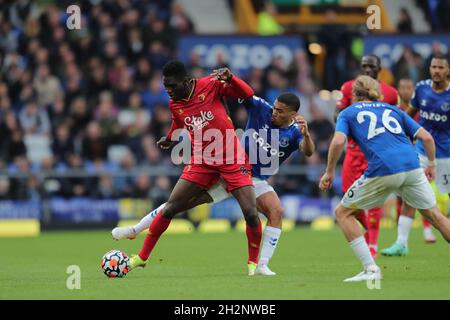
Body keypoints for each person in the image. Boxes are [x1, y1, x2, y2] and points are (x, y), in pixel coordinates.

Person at [113, 92, 315, 275]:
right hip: (230, 169)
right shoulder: (263, 109)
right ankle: (135, 230)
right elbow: (244, 94)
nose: (274, 112)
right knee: (179, 204)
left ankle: (262, 264)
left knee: (276, 212)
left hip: (255, 180)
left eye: (280, 111)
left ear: (293, 114)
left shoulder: (296, 132)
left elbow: (308, 151)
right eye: (275, 107)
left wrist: (306, 135)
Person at [123, 61, 262, 275]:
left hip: (232, 159)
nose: (168, 91)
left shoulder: (210, 85)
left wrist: (232, 78)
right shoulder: (174, 103)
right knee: (170, 207)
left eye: (172, 86)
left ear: (186, 82)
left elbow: (248, 93)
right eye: (165, 87)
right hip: (202, 160)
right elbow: (179, 122)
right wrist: (170, 138)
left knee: (251, 213)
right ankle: (141, 258)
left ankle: (253, 264)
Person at [320, 75, 450, 282]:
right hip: (412, 165)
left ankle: (371, 270)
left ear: (354, 94)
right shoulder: (394, 110)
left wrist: (328, 171)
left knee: (342, 213)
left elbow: (337, 142)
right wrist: (432, 164)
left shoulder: (348, 113)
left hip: (384, 168)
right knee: (436, 217)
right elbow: (426, 137)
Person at [381, 55, 450, 256]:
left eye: (440, 67)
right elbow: (410, 113)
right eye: (433, 67)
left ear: (447, 71)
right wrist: (399, 130)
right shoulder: (421, 88)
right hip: (421, 152)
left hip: (446, 155)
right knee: (411, 194)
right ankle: (401, 243)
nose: (436, 70)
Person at [336, 54, 398, 258]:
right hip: (353, 152)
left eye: (371, 66)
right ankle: (368, 234)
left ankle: (372, 244)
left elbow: (394, 122)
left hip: (375, 153)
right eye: (364, 66)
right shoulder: (347, 87)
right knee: (347, 197)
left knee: (374, 200)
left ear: (380, 69)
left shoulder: (390, 93)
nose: (367, 69)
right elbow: (337, 114)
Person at [397, 77, 437, 243]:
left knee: (421, 194)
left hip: (423, 158)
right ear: (398, 90)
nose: (406, 91)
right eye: (403, 87)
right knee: (408, 197)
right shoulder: (395, 111)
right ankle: (402, 239)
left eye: (409, 88)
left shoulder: (422, 111)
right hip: (402, 159)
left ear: (413, 90)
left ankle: (425, 231)